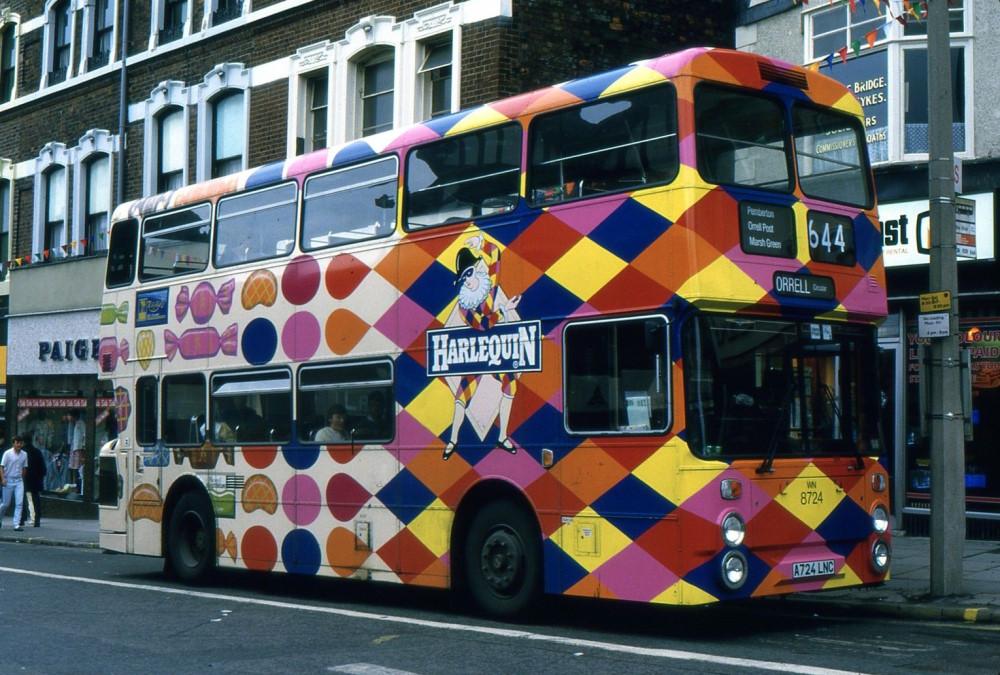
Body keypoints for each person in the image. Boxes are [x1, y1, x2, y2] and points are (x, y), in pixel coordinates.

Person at [0, 435, 29, 531]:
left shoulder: (24, 454)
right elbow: (2, 467)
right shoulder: (7, 453)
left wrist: (22, 477)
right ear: (14, 443)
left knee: (19, 503)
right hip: (8, 480)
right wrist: (3, 479)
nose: (19, 445)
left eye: (21, 443)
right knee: (5, 503)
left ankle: (16, 524)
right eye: (17, 443)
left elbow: (25, 467)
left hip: (19, 481)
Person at [20, 437, 46, 528]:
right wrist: (41, 477)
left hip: (24, 477)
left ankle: (22, 519)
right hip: (35, 478)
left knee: (21, 498)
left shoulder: (21, 452)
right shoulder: (37, 451)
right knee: (36, 499)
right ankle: (37, 520)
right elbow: (43, 467)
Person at [67, 410, 86, 495]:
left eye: (69, 415)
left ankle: (78, 488)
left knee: (79, 469)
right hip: (75, 449)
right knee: (76, 469)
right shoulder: (74, 424)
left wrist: (82, 452)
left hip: (79, 450)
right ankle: (76, 487)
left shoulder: (80, 424)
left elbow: (83, 437)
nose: (68, 417)